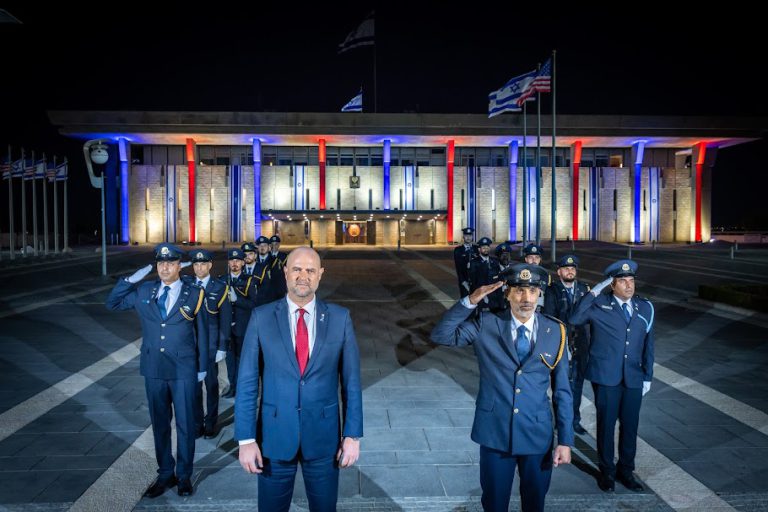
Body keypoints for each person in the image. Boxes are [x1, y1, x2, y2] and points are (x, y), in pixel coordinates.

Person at [431, 263, 573, 512]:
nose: (526, 298)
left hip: (536, 434)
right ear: (506, 293)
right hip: (495, 434)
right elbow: (442, 335)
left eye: (532, 291)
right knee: (494, 503)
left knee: (535, 502)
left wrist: (565, 440)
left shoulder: (556, 331)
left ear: (540, 293)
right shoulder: (486, 323)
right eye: (518, 290)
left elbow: (562, 391)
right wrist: (470, 301)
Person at [235, 246, 363, 512]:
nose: (302, 276)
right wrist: (246, 440)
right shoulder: (261, 317)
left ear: (320, 275)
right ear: (285, 272)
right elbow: (247, 383)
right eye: (296, 269)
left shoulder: (340, 319)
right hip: (274, 440)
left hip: (324, 442)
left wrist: (352, 435)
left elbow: (351, 384)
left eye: (310, 270)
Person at [105, 243, 208, 498]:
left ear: (179, 266)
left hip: (183, 369)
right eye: (161, 263)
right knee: (160, 424)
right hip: (154, 369)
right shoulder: (145, 291)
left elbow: (202, 332)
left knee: (185, 425)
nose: (164, 267)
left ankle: (184, 476)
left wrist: (203, 367)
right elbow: (113, 304)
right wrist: (129, 280)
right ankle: (165, 473)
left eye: (170, 263)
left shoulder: (193, 293)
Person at [569, 259, 654, 493]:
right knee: (606, 426)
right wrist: (595, 291)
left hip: (634, 378)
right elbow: (575, 318)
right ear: (612, 284)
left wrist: (648, 376)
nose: (629, 285)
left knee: (630, 426)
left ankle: (626, 471)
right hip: (606, 377)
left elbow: (648, 344)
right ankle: (606, 471)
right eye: (623, 281)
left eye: (631, 280)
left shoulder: (645, 307)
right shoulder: (599, 304)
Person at [184, 249, 231, 439]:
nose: (199, 268)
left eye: (203, 264)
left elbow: (225, 320)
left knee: (211, 386)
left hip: (211, 345)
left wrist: (222, 346)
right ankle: (197, 423)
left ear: (210, 265)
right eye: (196, 264)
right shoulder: (186, 285)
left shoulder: (219, 287)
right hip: (190, 346)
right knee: (193, 386)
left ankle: (211, 422)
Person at [543, 254, 591, 435]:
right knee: (561, 384)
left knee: (578, 384)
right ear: (559, 272)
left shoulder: (584, 289)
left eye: (573, 268)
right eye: (566, 268)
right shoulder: (552, 290)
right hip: (562, 343)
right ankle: (562, 422)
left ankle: (575, 421)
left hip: (581, 344)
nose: (570, 271)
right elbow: (550, 317)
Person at [221, 248, 259, 399]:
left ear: (243, 263)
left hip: (243, 328)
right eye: (232, 261)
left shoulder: (250, 280)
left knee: (243, 360)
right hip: (227, 328)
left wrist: (238, 300)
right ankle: (233, 386)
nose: (234, 263)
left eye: (237, 261)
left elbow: (254, 304)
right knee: (230, 361)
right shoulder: (222, 280)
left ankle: (244, 388)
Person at [468, 237, 501, 311]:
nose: (486, 249)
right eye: (483, 248)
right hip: (482, 296)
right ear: (479, 249)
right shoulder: (474, 263)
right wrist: (483, 295)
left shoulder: (495, 261)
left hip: (495, 296)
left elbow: (498, 278)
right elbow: (474, 282)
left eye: (487, 247)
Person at [453, 227, 479, 297]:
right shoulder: (458, 250)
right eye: (466, 235)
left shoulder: (477, 249)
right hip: (465, 281)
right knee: (465, 302)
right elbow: (458, 268)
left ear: (472, 236)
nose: (468, 237)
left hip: (477, 281)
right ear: (463, 237)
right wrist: (463, 282)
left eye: (470, 235)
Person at [269, 234, 288, 301]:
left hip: (280, 286)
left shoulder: (284, 256)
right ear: (270, 245)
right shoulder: (266, 256)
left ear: (279, 245)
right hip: (269, 285)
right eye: (272, 244)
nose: (274, 246)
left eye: (276, 244)